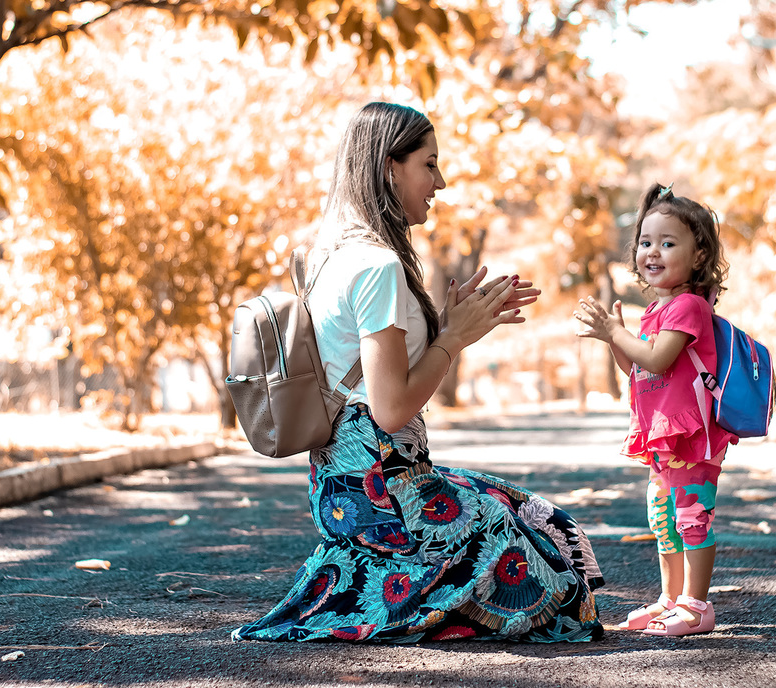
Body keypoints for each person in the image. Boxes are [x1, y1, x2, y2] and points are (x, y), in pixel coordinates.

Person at [232, 101, 604, 644]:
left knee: (521, 510)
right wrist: (452, 339)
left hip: (340, 495)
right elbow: (391, 407)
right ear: (390, 166)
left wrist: (450, 328)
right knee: (552, 552)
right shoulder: (378, 266)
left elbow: (359, 378)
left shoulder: (327, 256)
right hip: (390, 491)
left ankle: (391, 587)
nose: (441, 180)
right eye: (429, 164)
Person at [572, 182, 735, 637]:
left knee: (692, 516)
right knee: (663, 519)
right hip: (661, 434)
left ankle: (697, 605)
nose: (652, 252)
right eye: (646, 242)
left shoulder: (689, 307)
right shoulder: (657, 310)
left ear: (698, 255)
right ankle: (670, 599)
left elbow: (658, 358)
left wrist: (616, 332)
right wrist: (615, 337)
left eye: (667, 242)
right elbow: (636, 369)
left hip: (691, 435)